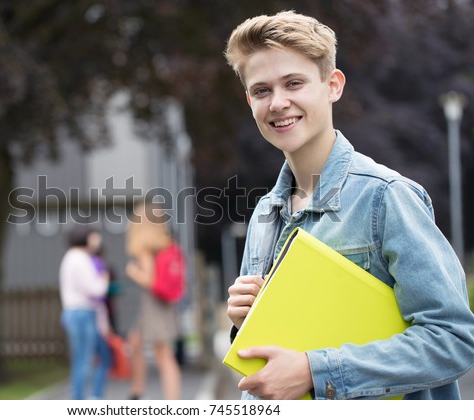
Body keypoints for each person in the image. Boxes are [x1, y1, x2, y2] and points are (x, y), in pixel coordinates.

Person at [224, 10, 474, 400]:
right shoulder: (264, 214)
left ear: (333, 85)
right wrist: (246, 323)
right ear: (249, 100)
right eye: (261, 91)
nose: (278, 103)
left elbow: (453, 339)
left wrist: (315, 369)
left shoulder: (386, 197)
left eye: (294, 83)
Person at [125, 201, 181, 400]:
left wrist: (133, 272)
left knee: (163, 357)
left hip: (155, 307)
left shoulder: (146, 249)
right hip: (158, 306)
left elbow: (149, 280)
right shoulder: (164, 244)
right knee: (135, 341)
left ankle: (172, 403)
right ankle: (136, 391)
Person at [59, 226, 112, 400]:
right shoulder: (79, 259)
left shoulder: (74, 258)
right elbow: (96, 289)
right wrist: (104, 278)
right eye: (94, 238)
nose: (98, 242)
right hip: (81, 313)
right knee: (84, 360)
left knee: (96, 357)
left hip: (80, 313)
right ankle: (79, 401)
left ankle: (90, 398)